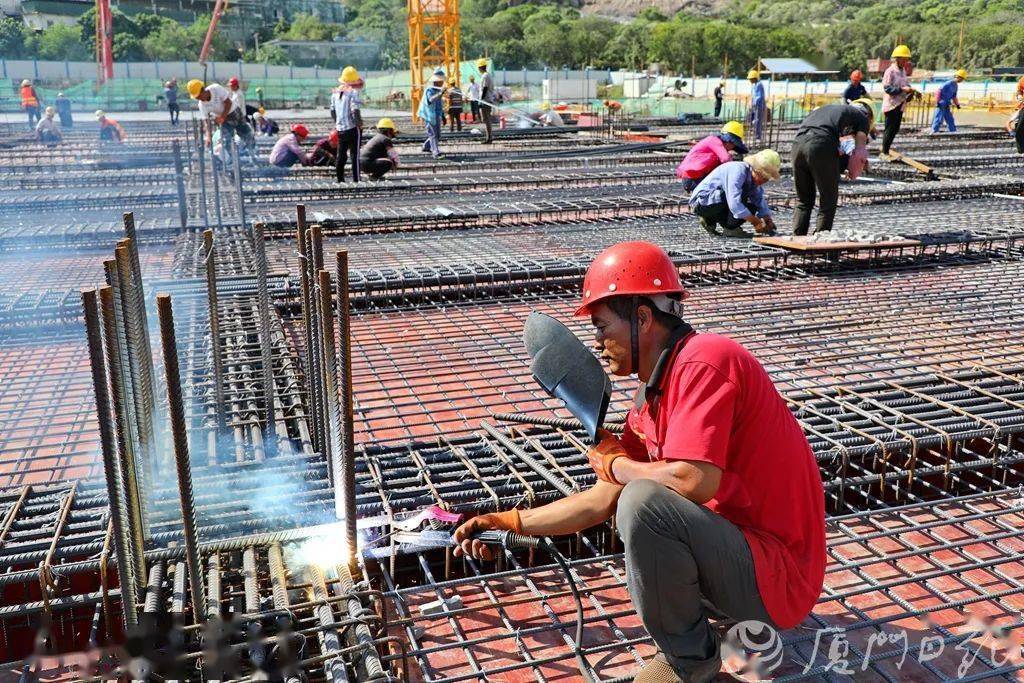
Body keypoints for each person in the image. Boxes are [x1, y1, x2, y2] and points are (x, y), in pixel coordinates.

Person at [454, 240, 826, 683]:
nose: (598, 344)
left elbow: (692, 481)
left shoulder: (706, 361)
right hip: (740, 559)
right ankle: (696, 630)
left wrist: (617, 465)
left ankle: (689, 660)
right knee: (632, 499)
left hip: (780, 578)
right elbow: (600, 500)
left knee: (643, 503)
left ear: (643, 318)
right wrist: (509, 521)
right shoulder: (652, 396)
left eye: (602, 327)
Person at [791, 99, 874, 235]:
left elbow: (840, 150)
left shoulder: (832, 111)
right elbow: (859, 152)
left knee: (804, 200)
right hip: (820, 144)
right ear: (868, 116)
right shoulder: (862, 119)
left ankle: (797, 237)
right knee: (828, 200)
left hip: (797, 145)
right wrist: (855, 171)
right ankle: (820, 241)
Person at [688, 150, 780, 238]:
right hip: (701, 204)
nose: (763, 181)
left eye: (766, 179)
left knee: (752, 207)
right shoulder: (738, 171)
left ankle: (722, 224)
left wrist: (767, 218)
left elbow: (758, 199)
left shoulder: (752, 178)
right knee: (741, 194)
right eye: (763, 177)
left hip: (717, 203)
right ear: (755, 169)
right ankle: (712, 219)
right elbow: (734, 203)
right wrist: (756, 222)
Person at [189, 79, 256, 167]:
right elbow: (207, 121)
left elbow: (228, 103)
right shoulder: (201, 105)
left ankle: (252, 154)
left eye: (198, 96)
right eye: (196, 97)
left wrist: (222, 117)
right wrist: (208, 136)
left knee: (246, 134)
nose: (198, 99)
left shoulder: (216, 89)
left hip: (234, 112)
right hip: (223, 119)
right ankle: (233, 161)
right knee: (225, 139)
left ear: (203, 90)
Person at [676, 121, 749, 192]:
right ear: (729, 142)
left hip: (698, 178)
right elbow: (726, 160)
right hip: (692, 179)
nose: (731, 148)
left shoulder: (717, 148)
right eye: (733, 145)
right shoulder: (714, 141)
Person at [881, 45, 918, 158]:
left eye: (907, 59)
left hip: (900, 104)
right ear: (897, 58)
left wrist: (911, 90)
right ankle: (884, 152)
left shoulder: (903, 71)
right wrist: (902, 89)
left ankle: (886, 150)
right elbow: (887, 88)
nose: (906, 61)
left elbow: (905, 84)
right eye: (904, 59)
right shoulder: (890, 71)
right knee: (889, 128)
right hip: (891, 105)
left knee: (895, 129)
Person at [332, 65, 365, 183]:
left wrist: (338, 123)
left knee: (341, 155)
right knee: (354, 155)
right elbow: (354, 110)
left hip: (340, 129)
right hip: (352, 128)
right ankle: (357, 180)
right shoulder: (353, 92)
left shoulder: (335, 93)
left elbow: (332, 111)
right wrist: (359, 124)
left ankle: (340, 180)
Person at [418, 72, 446, 158]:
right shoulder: (429, 90)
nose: (442, 83)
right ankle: (435, 153)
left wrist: (443, 115)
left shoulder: (438, 90)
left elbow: (439, 104)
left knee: (437, 135)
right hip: (429, 116)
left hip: (436, 115)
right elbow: (430, 100)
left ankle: (426, 146)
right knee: (433, 134)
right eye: (441, 81)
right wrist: (440, 93)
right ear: (436, 81)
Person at [932, 69, 966, 134]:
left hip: (947, 104)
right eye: (961, 79)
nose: (961, 81)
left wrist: (957, 104)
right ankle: (933, 132)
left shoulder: (956, 86)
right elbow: (938, 91)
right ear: (958, 77)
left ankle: (953, 132)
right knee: (938, 118)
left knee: (950, 119)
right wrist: (937, 101)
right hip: (941, 103)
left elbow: (954, 96)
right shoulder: (948, 83)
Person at [478, 58, 496, 144]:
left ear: (480, 67)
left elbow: (485, 88)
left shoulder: (485, 76)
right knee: (485, 119)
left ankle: (489, 138)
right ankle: (488, 137)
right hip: (487, 99)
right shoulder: (487, 75)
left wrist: (481, 100)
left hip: (486, 100)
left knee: (486, 119)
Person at [747, 69, 766, 141]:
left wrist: (754, 104)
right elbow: (754, 96)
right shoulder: (755, 85)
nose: (750, 81)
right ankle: (755, 134)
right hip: (755, 106)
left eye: (750, 79)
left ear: (754, 78)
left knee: (757, 121)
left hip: (758, 106)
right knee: (753, 120)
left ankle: (758, 137)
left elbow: (759, 97)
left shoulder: (759, 85)